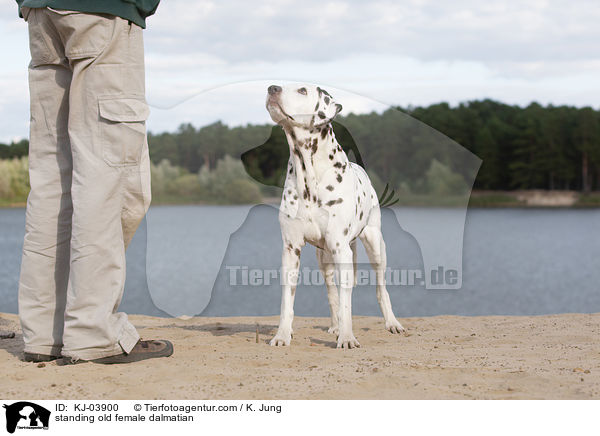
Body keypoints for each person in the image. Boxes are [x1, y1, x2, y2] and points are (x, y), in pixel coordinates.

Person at [15, 0, 173, 364]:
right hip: (102, 10)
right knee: (108, 178)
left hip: (40, 11)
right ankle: (91, 334)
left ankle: (45, 333)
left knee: (53, 178)